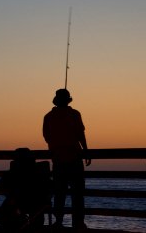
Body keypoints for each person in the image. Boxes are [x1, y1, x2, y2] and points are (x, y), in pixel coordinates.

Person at [43, 89, 91, 231]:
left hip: (58, 159)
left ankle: (58, 222)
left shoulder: (48, 116)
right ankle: (78, 223)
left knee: (59, 193)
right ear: (68, 100)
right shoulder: (75, 114)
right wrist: (86, 151)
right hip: (74, 158)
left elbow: (47, 137)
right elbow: (80, 135)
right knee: (77, 194)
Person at [0, 148, 52, 231]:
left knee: (9, 206)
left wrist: (10, 196)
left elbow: (1, 186)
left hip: (23, 202)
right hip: (35, 202)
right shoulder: (40, 171)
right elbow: (50, 186)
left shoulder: (12, 172)